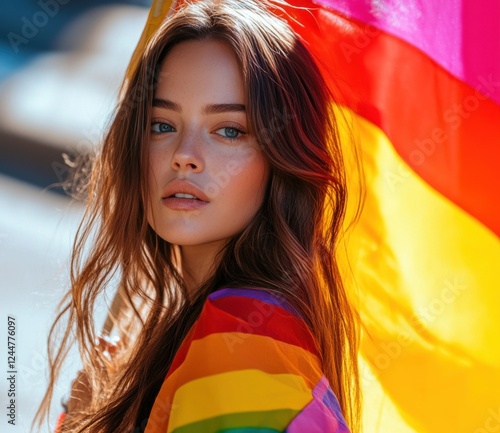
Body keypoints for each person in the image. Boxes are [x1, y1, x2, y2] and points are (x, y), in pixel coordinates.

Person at [35, 0, 361, 432]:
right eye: (162, 124)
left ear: (281, 161)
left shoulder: (240, 348)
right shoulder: (214, 333)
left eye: (229, 130)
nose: (184, 157)